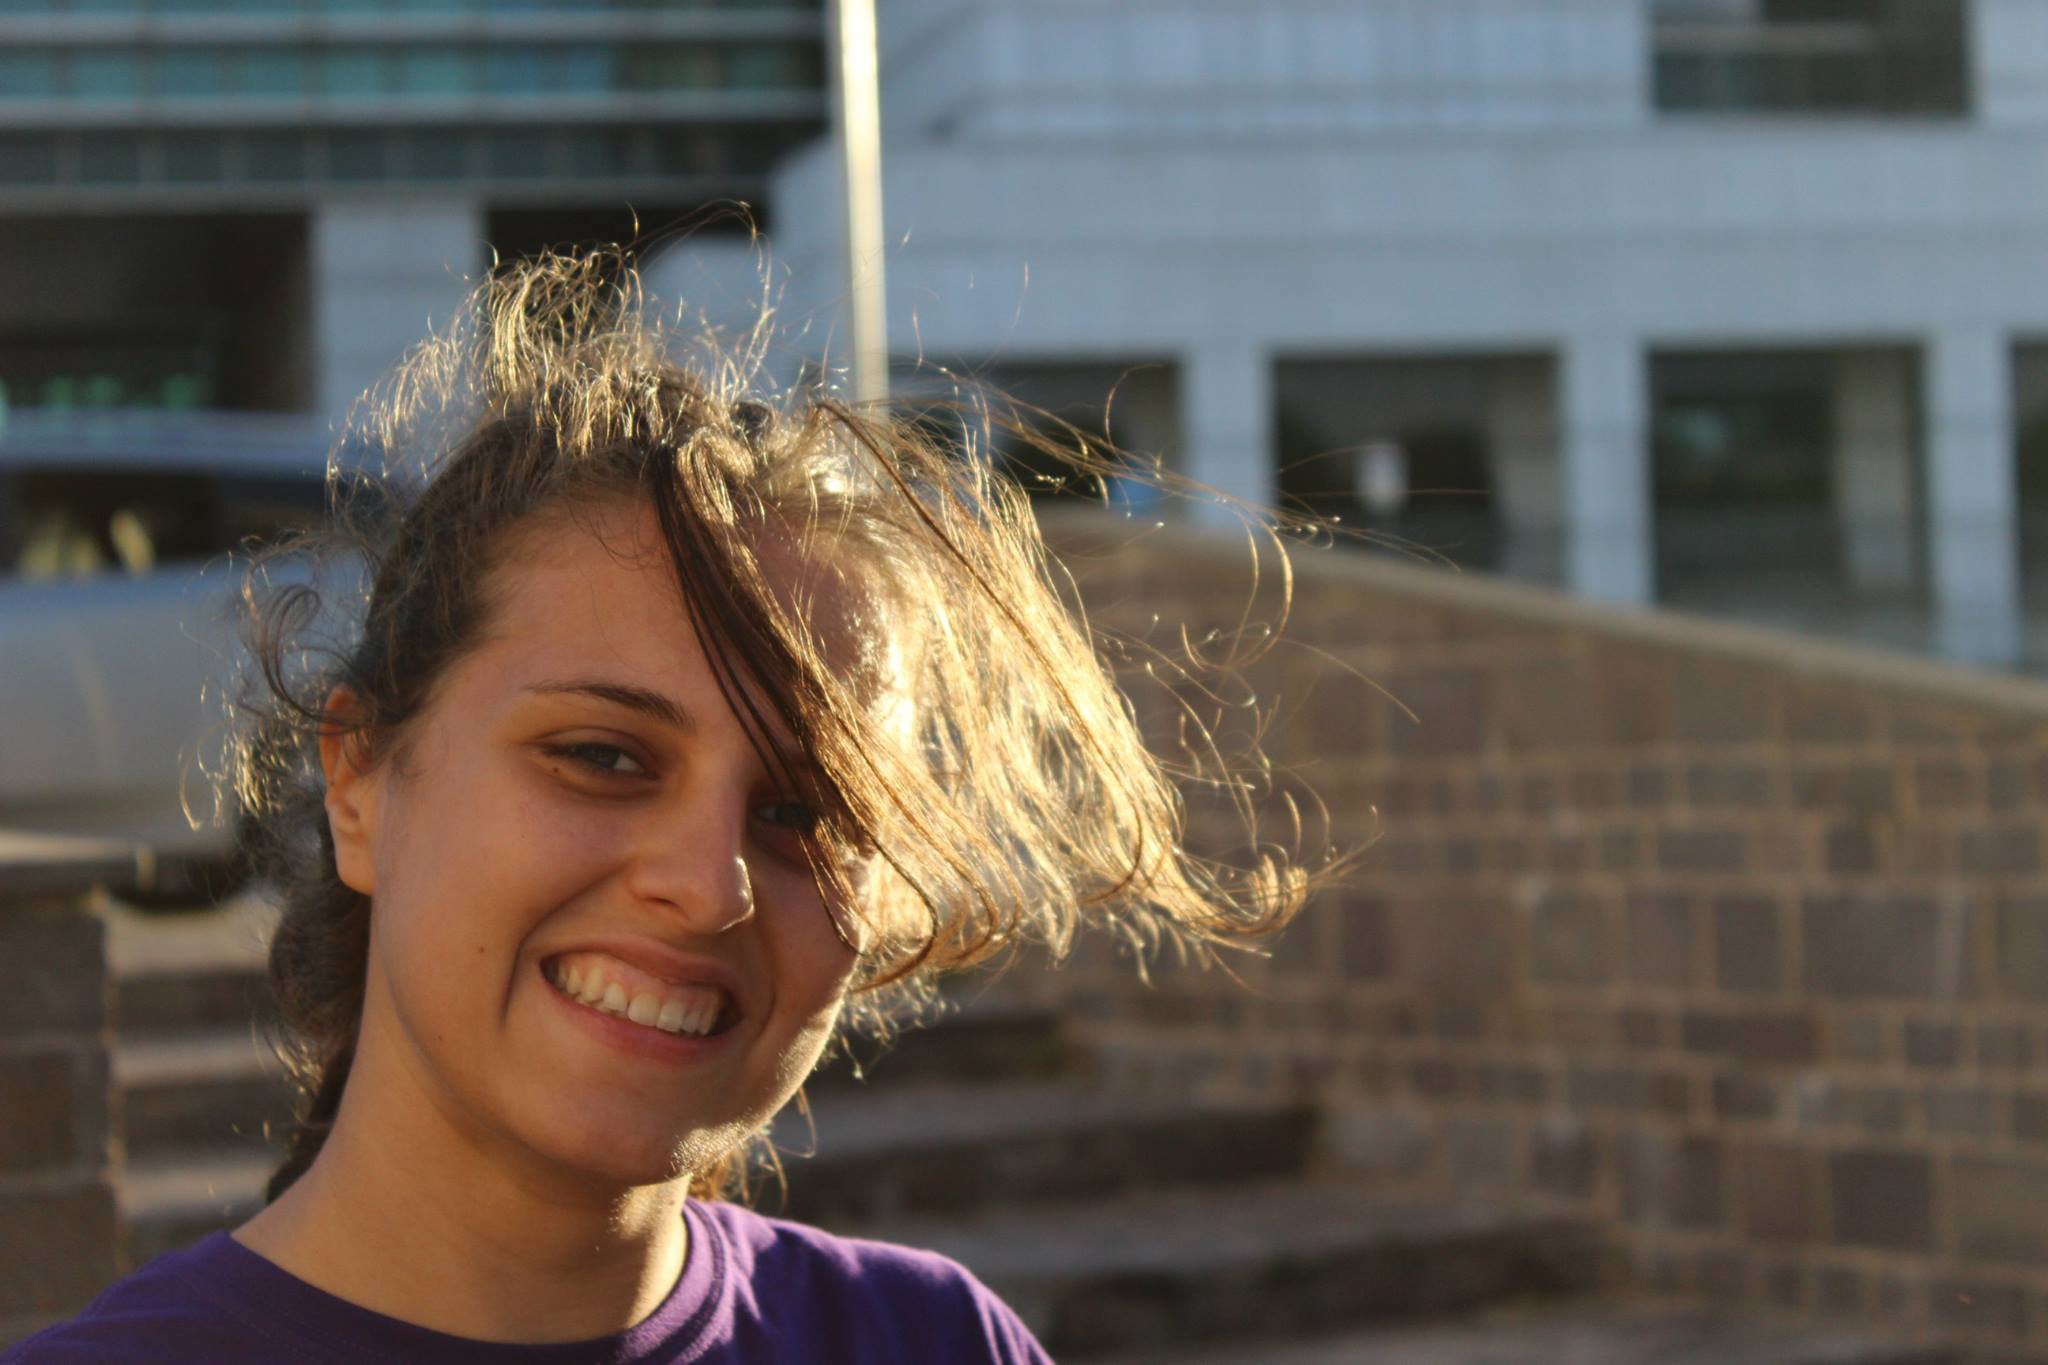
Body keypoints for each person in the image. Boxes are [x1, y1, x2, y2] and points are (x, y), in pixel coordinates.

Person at [4, 252, 1319, 1363]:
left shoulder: (934, 1341)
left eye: (808, 813)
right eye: (603, 755)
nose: (706, 884)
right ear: (358, 783)